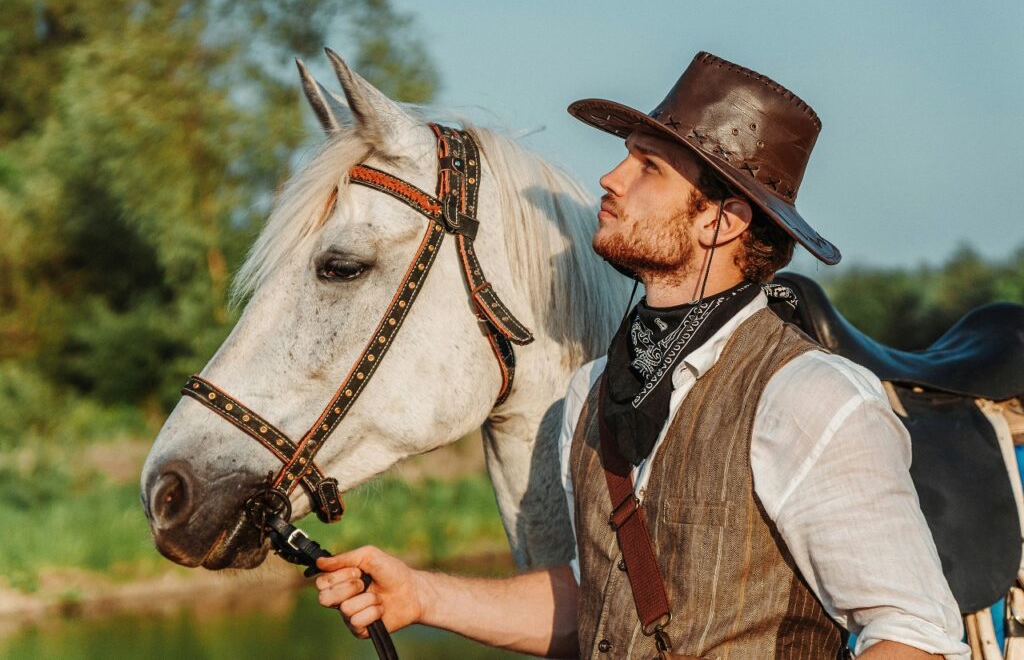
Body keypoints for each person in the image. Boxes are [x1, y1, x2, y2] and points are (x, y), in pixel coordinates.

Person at [314, 52, 969, 659]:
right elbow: (598, 595)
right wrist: (424, 595)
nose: (610, 177)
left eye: (648, 166)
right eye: (627, 156)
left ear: (722, 222)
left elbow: (912, 633)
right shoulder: (591, 392)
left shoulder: (811, 397)